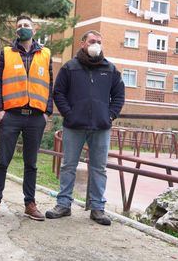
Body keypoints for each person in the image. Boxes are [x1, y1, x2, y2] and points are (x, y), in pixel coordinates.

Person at [45, 30, 125, 226]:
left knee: (99, 168)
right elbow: (59, 93)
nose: (95, 44)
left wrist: (110, 115)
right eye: (92, 41)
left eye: (99, 41)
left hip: (101, 127)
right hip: (74, 126)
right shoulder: (70, 67)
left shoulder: (110, 69)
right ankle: (63, 204)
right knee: (68, 166)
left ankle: (97, 208)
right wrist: (69, 114)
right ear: (83, 44)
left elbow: (119, 96)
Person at [0, 16, 53, 221]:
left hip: (35, 116)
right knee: (3, 160)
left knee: (31, 163)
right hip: (12, 115)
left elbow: (50, 83)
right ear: (15, 31)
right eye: (19, 26)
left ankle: (30, 204)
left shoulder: (45, 53)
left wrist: (46, 112)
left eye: (26, 26)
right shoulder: (7, 52)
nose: (22, 29)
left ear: (35, 30)